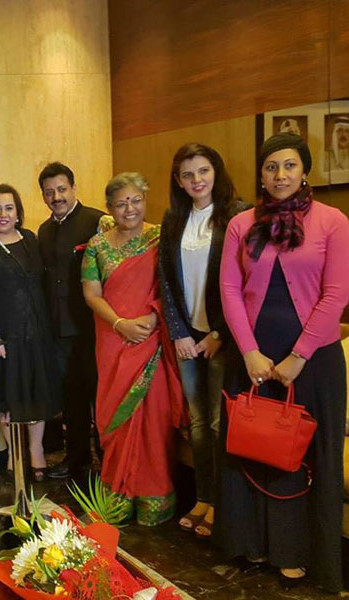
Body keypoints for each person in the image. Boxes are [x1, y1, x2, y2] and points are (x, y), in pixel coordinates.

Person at [218, 133, 349, 592]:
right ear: (261, 174)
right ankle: (256, 546)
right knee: (255, 449)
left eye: (289, 165)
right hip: (254, 356)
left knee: (309, 457)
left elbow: (337, 293)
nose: (280, 175)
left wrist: (298, 355)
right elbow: (229, 289)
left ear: (304, 170)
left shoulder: (333, 221)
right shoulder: (242, 224)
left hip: (314, 360)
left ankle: (301, 555)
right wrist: (249, 350)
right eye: (271, 167)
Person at [81, 172, 184, 526]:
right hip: (114, 341)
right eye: (121, 203)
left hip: (152, 340)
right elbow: (91, 294)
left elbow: (172, 286)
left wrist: (154, 318)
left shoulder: (160, 238)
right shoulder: (97, 246)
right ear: (109, 207)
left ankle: (155, 492)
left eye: (136, 201)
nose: (130, 209)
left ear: (145, 201)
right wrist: (120, 324)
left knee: (154, 418)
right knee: (115, 415)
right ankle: (118, 492)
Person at [158, 144, 247, 539]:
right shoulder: (173, 219)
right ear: (178, 181)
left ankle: (223, 504)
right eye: (188, 174)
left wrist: (219, 333)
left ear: (216, 172)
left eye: (203, 171)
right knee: (196, 422)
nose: (197, 180)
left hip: (223, 336)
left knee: (217, 422)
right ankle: (203, 497)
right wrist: (178, 331)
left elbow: (246, 282)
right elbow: (165, 278)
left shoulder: (237, 215)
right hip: (187, 336)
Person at [0, 184, 61, 481]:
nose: (3, 214)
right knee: (6, 398)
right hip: (4, 335)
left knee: (36, 393)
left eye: (9, 208)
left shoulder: (30, 239)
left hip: (37, 331)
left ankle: (36, 451)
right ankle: (13, 453)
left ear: (18, 213)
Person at [36, 162, 106, 482]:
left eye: (62, 189)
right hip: (59, 331)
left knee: (100, 398)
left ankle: (108, 459)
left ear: (74, 188)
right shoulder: (44, 230)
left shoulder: (96, 221)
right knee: (72, 399)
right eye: (49, 192)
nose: (57, 197)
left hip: (93, 328)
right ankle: (76, 460)